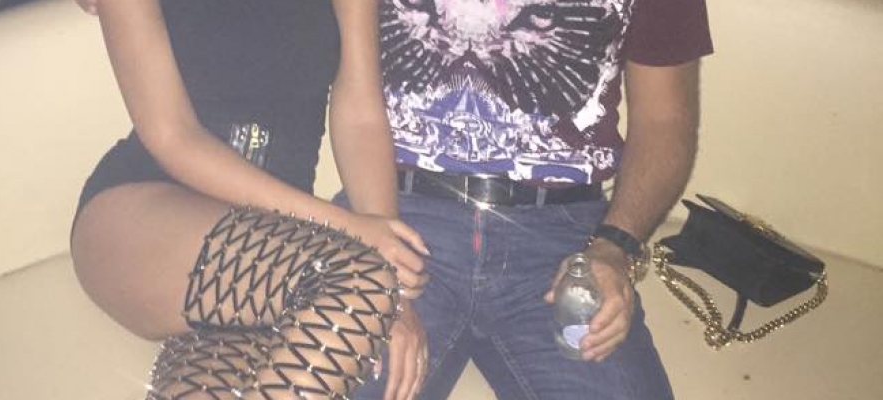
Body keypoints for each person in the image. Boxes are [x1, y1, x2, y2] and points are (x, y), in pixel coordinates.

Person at [77, 0, 714, 399]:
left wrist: (615, 246)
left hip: (549, 243)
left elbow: (361, 110)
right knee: (344, 327)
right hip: (355, 215)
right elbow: (171, 134)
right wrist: (379, 272)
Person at [69, 1, 432, 399]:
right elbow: (172, 137)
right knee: (363, 284)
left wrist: (393, 283)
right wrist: (351, 233)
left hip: (272, 255)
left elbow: (360, 115)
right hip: (146, 215)